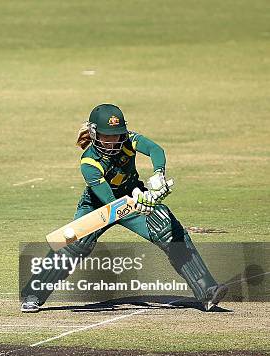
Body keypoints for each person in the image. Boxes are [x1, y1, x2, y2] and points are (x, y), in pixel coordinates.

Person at [20, 104, 227, 312]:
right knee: (75, 243)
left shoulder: (129, 140)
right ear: (94, 133)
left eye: (116, 136)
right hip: (98, 205)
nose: (112, 142)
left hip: (132, 195)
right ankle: (33, 294)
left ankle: (207, 290)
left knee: (166, 228)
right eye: (106, 136)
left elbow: (156, 150)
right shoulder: (89, 162)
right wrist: (138, 200)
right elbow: (111, 204)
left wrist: (158, 174)